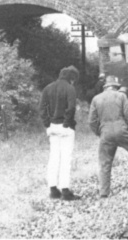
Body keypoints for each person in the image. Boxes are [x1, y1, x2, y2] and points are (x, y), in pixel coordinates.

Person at [39, 65, 82, 200]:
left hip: (52, 126)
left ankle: (53, 190)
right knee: (65, 159)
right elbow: (71, 107)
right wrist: (66, 123)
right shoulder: (70, 88)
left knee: (53, 158)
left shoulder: (48, 88)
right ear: (72, 78)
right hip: (65, 127)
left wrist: (47, 124)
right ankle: (65, 191)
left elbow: (42, 108)